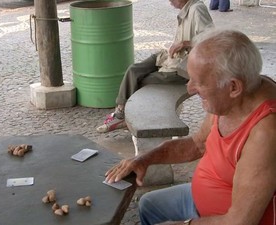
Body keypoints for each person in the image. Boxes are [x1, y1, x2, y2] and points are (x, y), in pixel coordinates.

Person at [105, 29, 276, 225]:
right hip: (201, 198)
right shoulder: (228, 97)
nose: (189, 88)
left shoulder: (265, 132)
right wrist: (144, 159)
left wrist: (186, 224)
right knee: (149, 205)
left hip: (226, 218)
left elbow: (239, 221)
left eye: (199, 83)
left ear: (234, 87)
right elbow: (197, 144)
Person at [96, 0, 214, 133]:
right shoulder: (186, 9)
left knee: (142, 81)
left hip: (181, 68)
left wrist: (185, 43)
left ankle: (126, 118)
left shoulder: (197, 9)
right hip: (167, 58)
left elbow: (211, 40)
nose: (169, 2)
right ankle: (120, 111)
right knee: (133, 70)